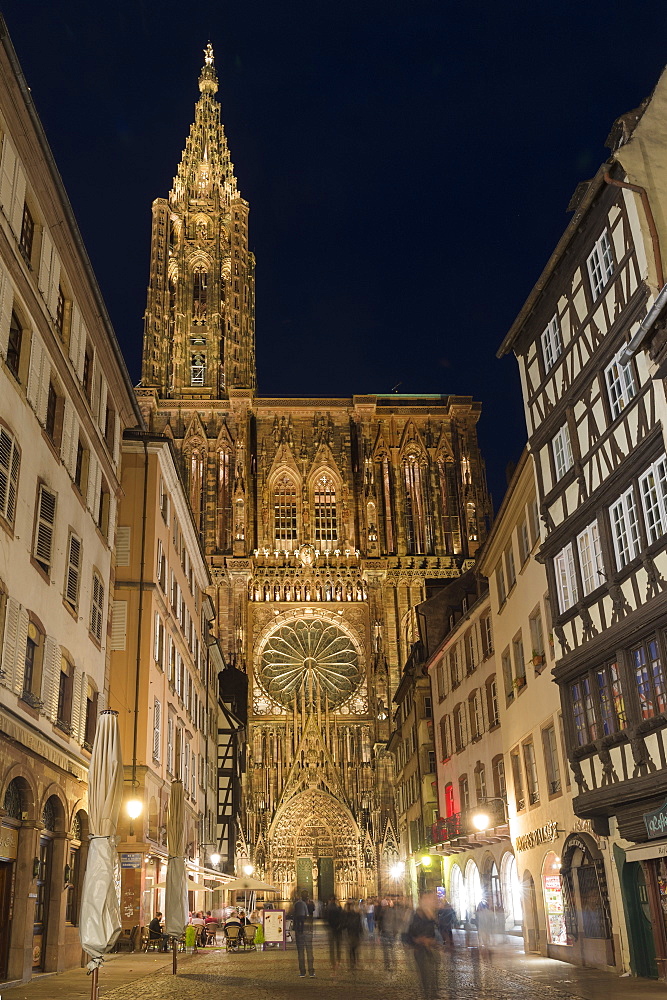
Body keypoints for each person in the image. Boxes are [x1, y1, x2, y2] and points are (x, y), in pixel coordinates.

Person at [407, 890, 440, 1000]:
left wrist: (434, 941)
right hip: (421, 950)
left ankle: (433, 994)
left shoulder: (432, 915)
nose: (432, 901)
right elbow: (408, 934)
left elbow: (438, 932)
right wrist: (418, 939)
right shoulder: (416, 915)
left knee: (434, 977)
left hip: (432, 950)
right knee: (426, 977)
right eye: (429, 898)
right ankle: (428, 995)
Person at [292, 890, 315, 977]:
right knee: (309, 950)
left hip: (300, 930)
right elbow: (313, 911)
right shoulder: (310, 903)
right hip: (308, 929)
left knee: (300, 951)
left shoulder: (297, 904)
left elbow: (294, 915)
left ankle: (302, 972)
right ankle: (311, 971)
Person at [324, 895, 343, 973]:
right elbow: (342, 917)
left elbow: (325, 919)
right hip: (338, 929)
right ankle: (338, 960)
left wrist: (327, 926)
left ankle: (333, 962)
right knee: (338, 945)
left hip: (331, 929)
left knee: (332, 947)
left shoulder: (327, 909)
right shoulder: (338, 908)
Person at [343, 899, 362, 970]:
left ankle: (354, 962)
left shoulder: (356, 915)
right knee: (352, 949)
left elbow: (359, 924)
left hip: (354, 933)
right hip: (351, 933)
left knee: (354, 948)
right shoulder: (349, 914)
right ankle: (353, 963)